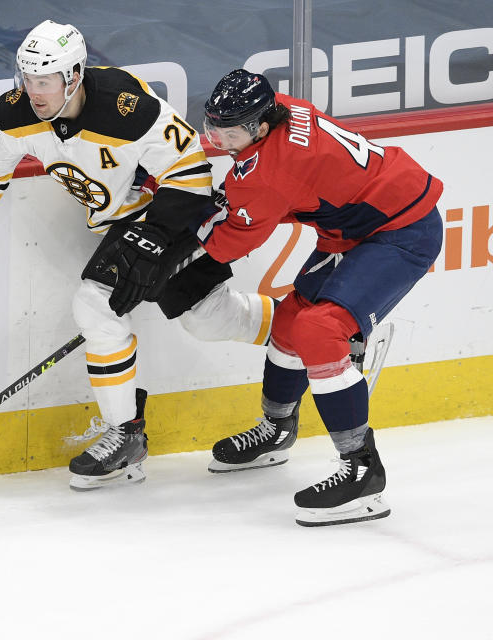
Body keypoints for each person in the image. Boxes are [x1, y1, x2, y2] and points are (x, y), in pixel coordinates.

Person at [0, 20, 276, 491]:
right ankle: (298, 331)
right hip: (124, 223)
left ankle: (127, 436)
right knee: (207, 317)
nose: (34, 91)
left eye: (45, 80)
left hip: (169, 213)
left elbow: (190, 173)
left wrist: (153, 238)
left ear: (73, 75)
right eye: (27, 78)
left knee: (98, 302)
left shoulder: (125, 108)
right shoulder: (12, 117)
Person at [199, 69, 443, 525]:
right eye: (215, 125)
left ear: (260, 126)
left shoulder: (268, 171)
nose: (218, 138)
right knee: (292, 321)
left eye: (229, 132)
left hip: (401, 232)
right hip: (358, 224)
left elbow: (230, 241)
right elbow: (295, 192)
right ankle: (277, 429)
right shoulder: (282, 110)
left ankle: (362, 472)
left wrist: (192, 231)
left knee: (320, 328)